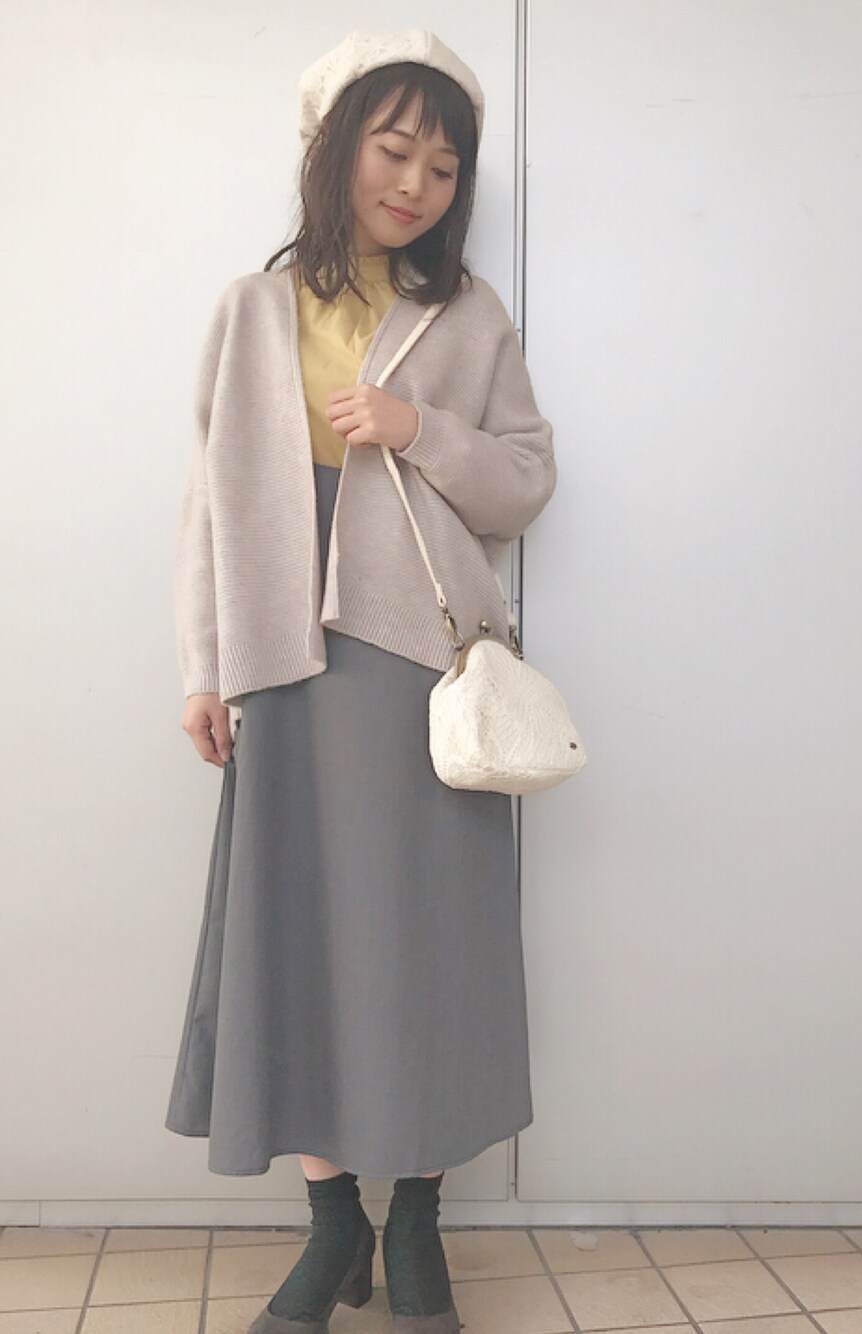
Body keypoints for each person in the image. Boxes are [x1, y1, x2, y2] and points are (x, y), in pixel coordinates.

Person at [163, 28, 557, 1334]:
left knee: (432, 944)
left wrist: (416, 427)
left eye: (444, 167)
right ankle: (333, 1226)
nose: (416, 184)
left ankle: (419, 1221)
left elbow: (525, 481)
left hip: (421, 671)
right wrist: (204, 666)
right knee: (299, 938)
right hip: (282, 664)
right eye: (395, 150)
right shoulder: (251, 309)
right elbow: (210, 505)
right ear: (333, 149)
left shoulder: (468, 315)